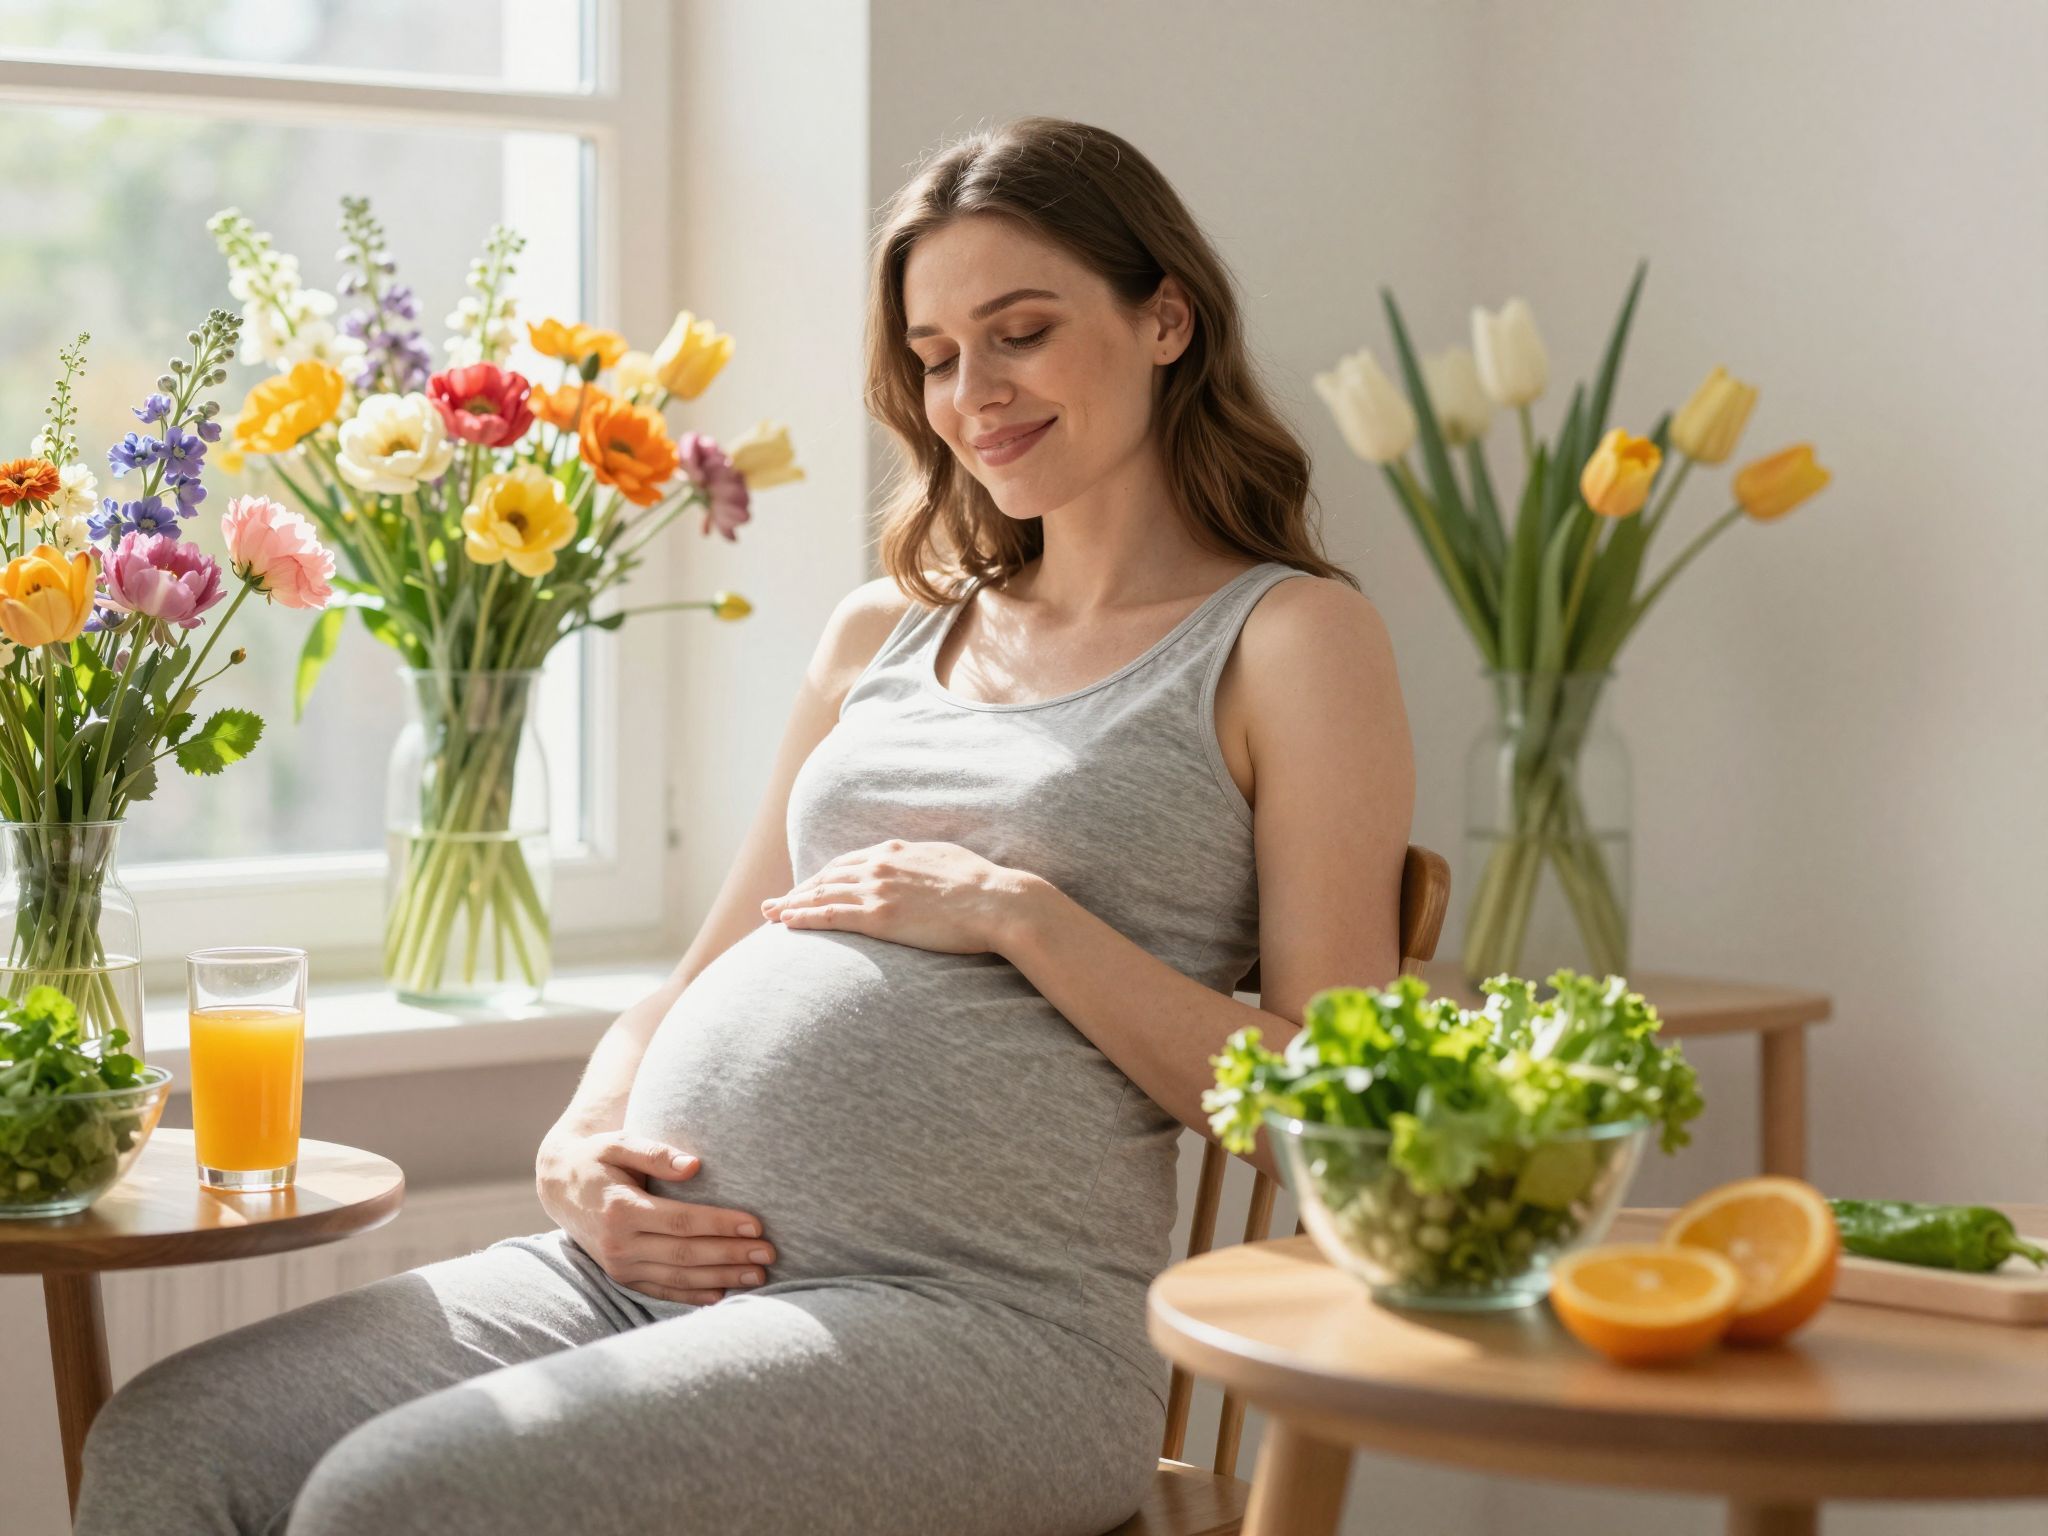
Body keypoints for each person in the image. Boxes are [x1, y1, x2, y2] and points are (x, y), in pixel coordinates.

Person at [72, 115, 1414, 1536]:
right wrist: (582, 1142)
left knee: (390, 1504)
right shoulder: (884, 631)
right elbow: (699, 975)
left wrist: (1023, 917)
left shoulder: (1288, 640)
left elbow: (1345, 1110)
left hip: (984, 1327)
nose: (973, 393)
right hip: (638, 1274)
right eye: (937, 356)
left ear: (1166, 319)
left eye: (1021, 332)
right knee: (176, 1441)